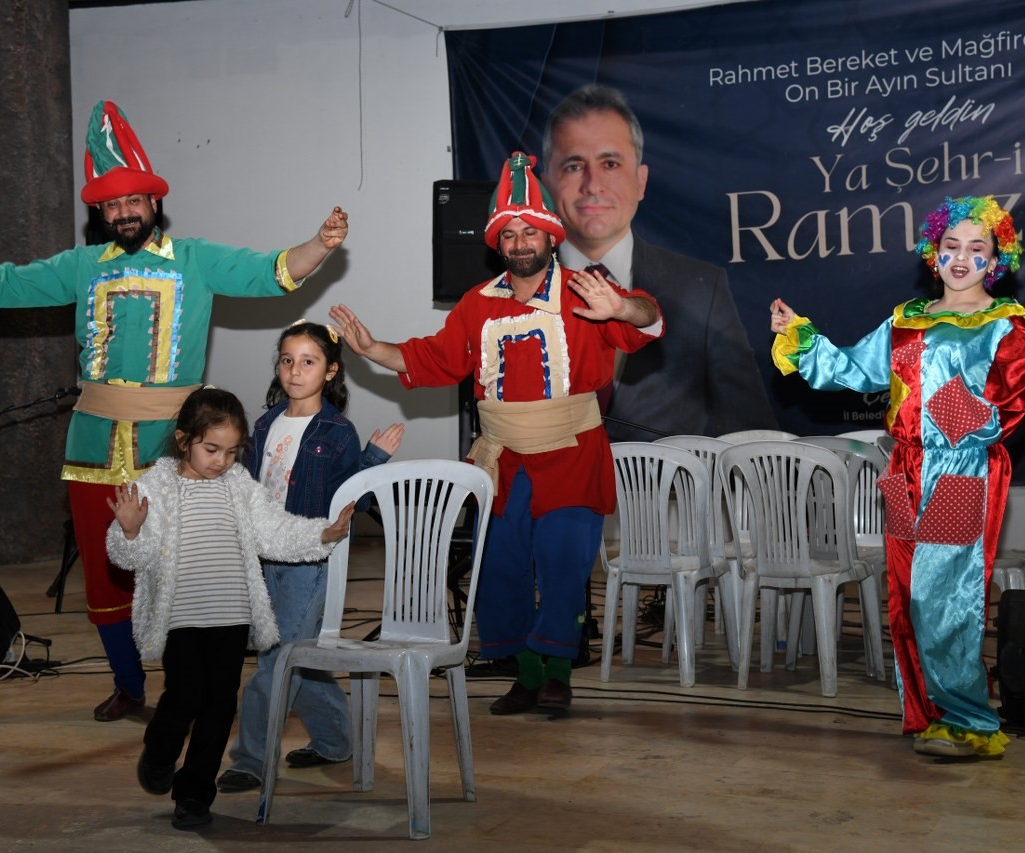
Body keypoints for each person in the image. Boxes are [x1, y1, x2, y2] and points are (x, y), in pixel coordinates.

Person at [0, 100, 348, 722]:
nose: (123, 212)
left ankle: (185, 688)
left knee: (185, 573)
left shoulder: (194, 259)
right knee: (106, 577)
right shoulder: (81, 267)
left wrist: (321, 244)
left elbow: (274, 272)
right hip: (92, 445)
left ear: (153, 203)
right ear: (100, 211)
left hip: (176, 450)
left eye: (133, 201)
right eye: (111, 204)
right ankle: (128, 683)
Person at [769, 195, 1025, 759]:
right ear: (933, 255)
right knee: (907, 596)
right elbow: (852, 371)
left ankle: (970, 723)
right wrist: (802, 336)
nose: (962, 257)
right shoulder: (905, 319)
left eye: (976, 249)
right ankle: (929, 713)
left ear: (996, 262)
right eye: (951, 246)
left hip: (961, 470)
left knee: (947, 598)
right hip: (903, 467)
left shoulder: (1002, 328)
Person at [331, 151, 662, 714]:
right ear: (497, 243)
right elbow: (433, 358)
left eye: (530, 230)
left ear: (551, 235)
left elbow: (648, 320)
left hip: (572, 451)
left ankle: (558, 673)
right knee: (500, 569)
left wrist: (621, 308)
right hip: (502, 460)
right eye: (508, 234)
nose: (520, 242)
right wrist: (371, 350)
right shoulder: (476, 305)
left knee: (562, 565)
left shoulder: (588, 289)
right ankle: (526, 675)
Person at [105, 387, 355, 830]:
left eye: (232, 451)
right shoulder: (154, 488)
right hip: (181, 617)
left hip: (233, 616)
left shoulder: (239, 486)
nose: (221, 460)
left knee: (219, 706)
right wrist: (128, 532)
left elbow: (274, 531)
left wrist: (322, 534)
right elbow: (131, 559)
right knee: (186, 695)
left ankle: (194, 794)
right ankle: (161, 749)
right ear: (184, 440)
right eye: (211, 449)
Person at [216, 321, 404, 793]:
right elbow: (249, 489)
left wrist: (372, 460)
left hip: (310, 559)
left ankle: (252, 760)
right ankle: (336, 741)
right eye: (287, 360)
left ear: (330, 371)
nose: (295, 371)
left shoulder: (337, 432)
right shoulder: (264, 424)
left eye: (308, 361)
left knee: (277, 659)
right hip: (264, 555)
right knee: (302, 657)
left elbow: (352, 501)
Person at [541, 84, 776, 440]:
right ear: (547, 186)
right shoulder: (513, 293)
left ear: (640, 181)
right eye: (574, 166)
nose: (593, 185)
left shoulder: (702, 289)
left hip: (670, 495)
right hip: (555, 492)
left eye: (610, 163)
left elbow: (750, 430)